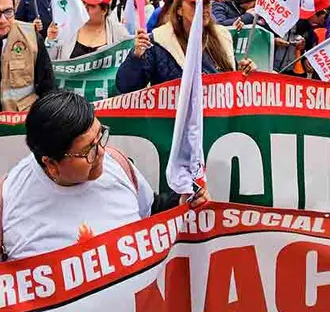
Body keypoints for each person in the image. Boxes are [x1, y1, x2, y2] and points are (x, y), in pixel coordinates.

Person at [0, 90, 209, 261]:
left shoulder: (117, 164)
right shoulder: (10, 197)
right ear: (52, 164)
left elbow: (150, 210)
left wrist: (182, 201)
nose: (101, 152)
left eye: (100, 137)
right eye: (88, 151)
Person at [115, 0, 254, 93]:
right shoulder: (158, 41)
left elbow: (231, 84)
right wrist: (136, 57)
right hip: (174, 122)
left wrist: (243, 71)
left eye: (206, 3)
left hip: (215, 121)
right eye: (195, 4)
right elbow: (126, 87)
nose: (203, 9)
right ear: (179, 9)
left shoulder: (222, 37)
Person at [0, 0, 54, 111]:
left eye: (8, 12)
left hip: (23, 118)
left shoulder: (31, 37)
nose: (2, 20)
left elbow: (47, 86)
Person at [45, 0, 130, 60]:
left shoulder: (119, 33)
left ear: (104, 10)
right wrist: (50, 41)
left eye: (91, 6)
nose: (85, 8)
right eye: (84, 3)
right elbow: (49, 62)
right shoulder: (66, 27)